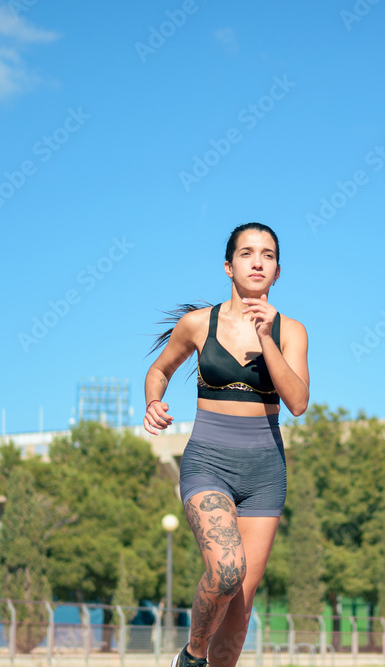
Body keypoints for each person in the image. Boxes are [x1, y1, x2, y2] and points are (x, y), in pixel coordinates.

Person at [144, 222, 310, 667]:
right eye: (247, 253)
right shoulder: (199, 324)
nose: (258, 261)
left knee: (239, 614)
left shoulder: (291, 332)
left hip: (264, 476)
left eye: (268, 255)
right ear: (228, 266)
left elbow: (297, 402)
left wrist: (266, 339)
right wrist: (153, 402)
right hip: (209, 463)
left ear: (277, 271)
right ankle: (192, 655)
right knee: (226, 569)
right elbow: (159, 370)